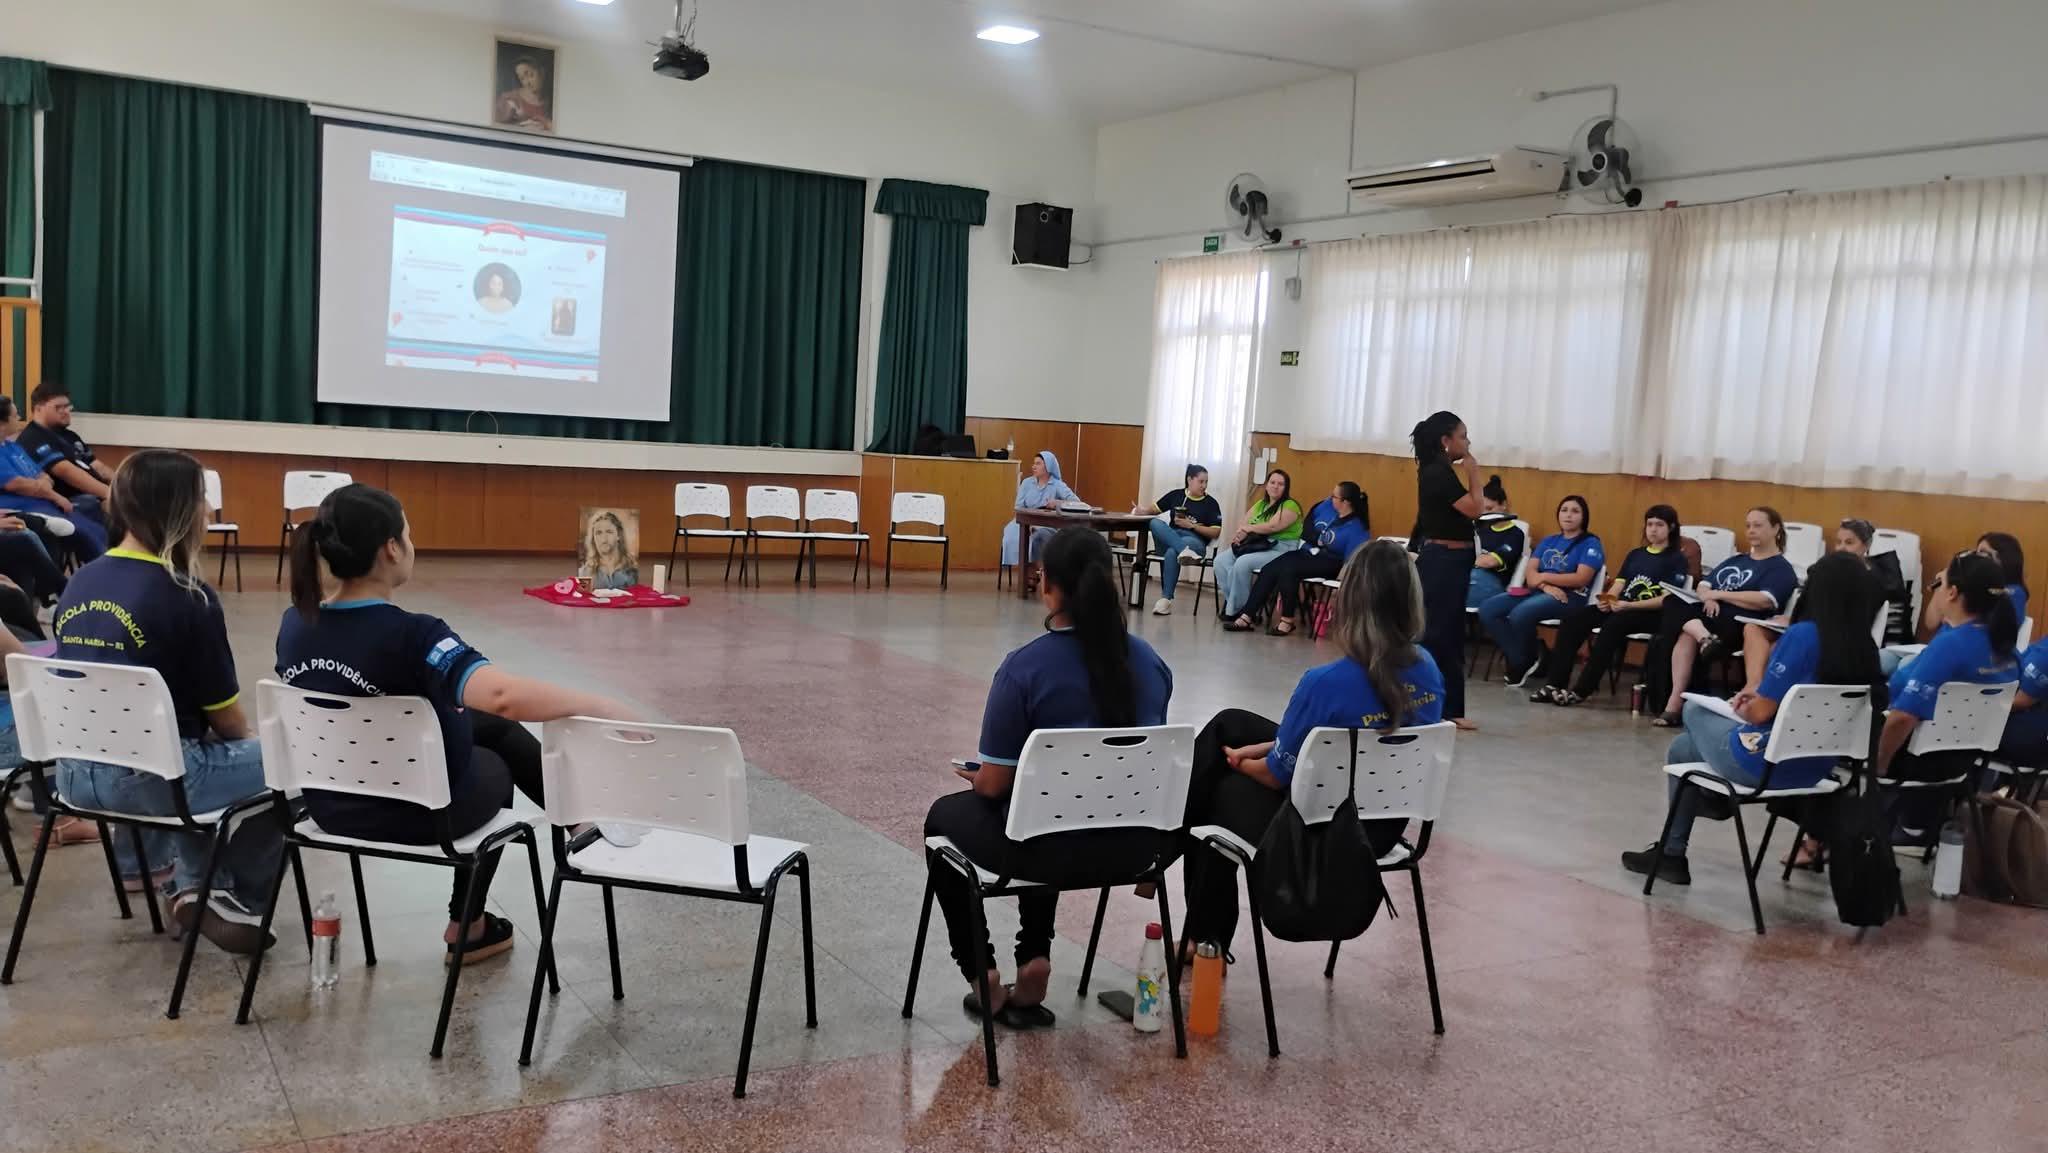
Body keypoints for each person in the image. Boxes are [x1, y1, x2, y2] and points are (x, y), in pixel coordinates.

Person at [279, 484, 629, 962]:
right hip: (418, 812)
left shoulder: (295, 625)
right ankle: (468, 923)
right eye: (408, 534)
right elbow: (503, 696)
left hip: (330, 806)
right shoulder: (414, 634)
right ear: (391, 548)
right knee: (496, 761)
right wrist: (599, 704)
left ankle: (580, 824)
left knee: (491, 727)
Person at [923, 527, 1171, 1027]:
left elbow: (994, 784)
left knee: (945, 819)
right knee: (1050, 805)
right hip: (1134, 848)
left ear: (1048, 585)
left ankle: (982, 971)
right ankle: (1034, 954)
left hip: (1047, 850)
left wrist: (977, 776)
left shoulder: (1024, 669)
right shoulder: (1150, 662)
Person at [51, 449, 282, 952]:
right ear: (178, 510)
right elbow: (228, 720)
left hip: (74, 774)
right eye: (201, 500)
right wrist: (247, 749)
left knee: (167, 743)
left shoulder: (80, 581)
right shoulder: (187, 595)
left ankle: (145, 867)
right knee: (290, 763)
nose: (208, 512)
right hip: (152, 784)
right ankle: (220, 893)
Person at [1180, 539, 1443, 950]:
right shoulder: (1429, 670)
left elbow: (1274, 777)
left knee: (1215, 789)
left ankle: (1204, 936)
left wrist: (1239, 763)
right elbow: (1346, 740)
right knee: (1230, 724)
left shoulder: (1325, 684)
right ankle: (1191, 906)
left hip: (1320, 833)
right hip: (1384, 827)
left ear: (1349, 599)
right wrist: (1261, 748)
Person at [1621, 551, 1881, 886]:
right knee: (1683, 749)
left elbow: (1759, 713)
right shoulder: (1865, 648)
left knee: (1694, 709)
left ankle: (1690, 831)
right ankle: (1677, 845)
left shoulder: (1802, 636)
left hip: (1764, 764)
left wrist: (1743, 706)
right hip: (1818, 768)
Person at [1877, 552, 2020, 844]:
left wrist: (1877, 768)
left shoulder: (1950, 646)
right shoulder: (2007, 648)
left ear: (1952, 592)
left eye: (1940, 584)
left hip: (1913, 758)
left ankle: (1823, 842)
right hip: (1963, 762)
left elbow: (1903, 718)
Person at [1643, 507, 1799, 727]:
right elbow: (1704, 585)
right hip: (1709, 617)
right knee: (1673, 603)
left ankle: (1674, 702)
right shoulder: (1737, 560)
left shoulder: (1780, 568)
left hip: (1740, 623)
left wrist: (1719, 595)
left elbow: (1764, 600)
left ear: (1776, 529)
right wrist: (1708, 597)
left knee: (1684, 632)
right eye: (1748, 526)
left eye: (1758, 525)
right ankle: (1702, 645)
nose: (1751, 530)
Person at [1531, 505, 1689, 707]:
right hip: (1621, 607)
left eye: (1659, 525)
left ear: (1671, 527)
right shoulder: (1636, 554)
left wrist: (1629, 606)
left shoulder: (1676, 559)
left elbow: (1666, 600)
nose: (1653, 529)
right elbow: (1619, 584)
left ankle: (1581, 691)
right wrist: (1608, 600)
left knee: (1613, 626)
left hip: (1650, 613)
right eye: (1649, 524)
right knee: (1574, 621)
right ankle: (1554, 684)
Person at [1741, 517, 1896, 689]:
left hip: (1835, 638)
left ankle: (1763, 693)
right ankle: (1753, 685)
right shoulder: (1826, 572)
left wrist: (1797, 624)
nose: (1841, 548)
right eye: (1838, 542)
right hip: (1808, 626)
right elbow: (1809, 605)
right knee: (1753, 629)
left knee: (1778, 647)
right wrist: (1793, 620)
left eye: (1849, 543)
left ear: (1866, 546)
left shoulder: (1872, 581)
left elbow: (1851, 620)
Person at [1475, 495, 1604, 685]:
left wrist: (1543, 578)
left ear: (1584, 516)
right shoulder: (1549, 541)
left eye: (1575, 511)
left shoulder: (1590, 543)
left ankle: (1525, 661)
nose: (1568, 515)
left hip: (1569, 597)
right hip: (1540, 591)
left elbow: (1580, 578)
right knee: (1488, 609)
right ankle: (1528, 658)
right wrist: (1545, 585)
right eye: (1564, 510)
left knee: (1520, 613)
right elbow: (1530, 575)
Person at [1409, 412, 1482, 731]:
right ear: (1445, 440)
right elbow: (1476, 508)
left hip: (1451, 560)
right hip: (1444, 561)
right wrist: (1474, 472)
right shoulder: (1438, 472)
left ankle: (1444, 707)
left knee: (1445, 633)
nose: (1467, 442)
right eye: (1463, 436)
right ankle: (1441, 708)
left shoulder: (1437, 469)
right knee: (1441, 635)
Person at [1228, 481, 1371, 635]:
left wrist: (1337, 588)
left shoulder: (1357, 528)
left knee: (1289, 571)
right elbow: (1311, 522)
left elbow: (1351, 561)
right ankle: (1246, 616)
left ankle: (1287, 621)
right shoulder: (1331, 511)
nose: (1331, 498)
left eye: (1334, 496)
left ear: (1345, 502)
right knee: (1270, 567)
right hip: (1310, 554)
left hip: (1331, 562)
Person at [0, 392, 106, 563]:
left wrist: (42, 486)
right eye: (15, 415)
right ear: (3, 422)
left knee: (95, 528)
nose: (19, 418)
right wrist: (54, 495)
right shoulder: (28, 439)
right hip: (21, 506)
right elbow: (16, 484)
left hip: (41, 500)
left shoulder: (12, 446)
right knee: (81, 531)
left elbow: (44, 476)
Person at [1214, 470, 1304, 622]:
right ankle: (1241, 607)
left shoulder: (1290, 505)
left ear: (1286, 488)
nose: (1275, 486)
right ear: (1266, 485)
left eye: (1280, 484)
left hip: (1281, 549)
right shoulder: (1261, 504)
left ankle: (1242, 611)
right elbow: (1244, 524)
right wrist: (1240, 536)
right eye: (1272, 482)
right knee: (1221, 561)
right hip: (1257, 545)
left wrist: (1249, 529)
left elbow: (1273, 526)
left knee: (1243, 563)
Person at [1139, 464, 1224, 615]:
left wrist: (1191, 526)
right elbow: (1154, 509)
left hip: (1194, 542)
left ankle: (1166, 600)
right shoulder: (1176, 495)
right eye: (1201, 481)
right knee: (1154, 522)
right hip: (1172, 538)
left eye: (1206, 482)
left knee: (1173, 552)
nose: (1204, 486)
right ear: (1189, 480)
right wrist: (1142, 511)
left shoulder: (1211, 504)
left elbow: (1215, 532)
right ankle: (1184, 550)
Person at [17, 382, 113, 504]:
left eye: (68, 406)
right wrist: (111, 495)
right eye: (59, 407)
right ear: (38, 408)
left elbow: (99, 467)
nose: (66, 411)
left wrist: (125, 487)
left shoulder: (70, 436)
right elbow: (67, 473)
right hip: (70, 502)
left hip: (95, 496)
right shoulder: (33, 438)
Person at [998, 451, 1080, 585]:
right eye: (1034, 463)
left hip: (1046, 523)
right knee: (1012, 534)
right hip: (1024, 520)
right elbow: (1018, 507)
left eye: (1038, 463)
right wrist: (1028, 522)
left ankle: (1039, 575)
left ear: (1048, 466)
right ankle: (1030, 573)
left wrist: (1057, 503)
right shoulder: (1027, 483)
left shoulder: (1057, 485)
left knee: (1038, 536)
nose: (1033, 466)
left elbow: (1076, 502)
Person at [1465, 477, 1524, 610]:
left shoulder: (1514, 534)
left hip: (1492, 582)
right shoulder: (1477, 528)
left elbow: (1490, 562)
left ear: (1503, 505)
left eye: (1489, 508)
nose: (1485, 514)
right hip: (1468, 575)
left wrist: (1465, 558)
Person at [580, 510, 638, 590]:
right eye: (599, 533)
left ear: (618, 535)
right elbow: (583, 595)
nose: (604, 538)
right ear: (593, 539)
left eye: (609, 532)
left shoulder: (633, 570)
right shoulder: (585, 572)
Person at [494, 55, 553, 132]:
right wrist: (520, 127)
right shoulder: (509, 98)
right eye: (522, 78)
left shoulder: (552, 99)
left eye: (530, 75)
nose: (527, 83)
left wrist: (547, 125)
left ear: (542, 71)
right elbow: (495, 127)